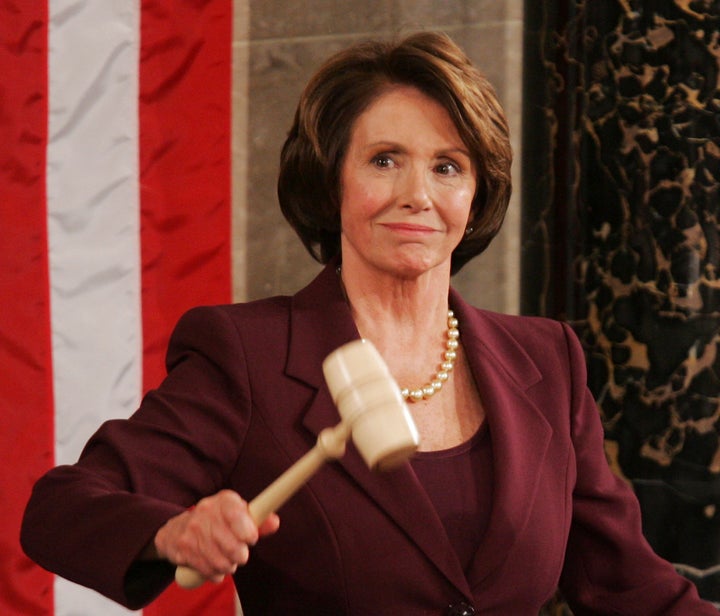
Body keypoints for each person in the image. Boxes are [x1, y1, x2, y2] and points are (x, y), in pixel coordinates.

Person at [21, 31, 718, 615]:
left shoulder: (547, 362)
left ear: (476, 198)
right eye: (385, 160)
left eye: (448, 167)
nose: (418, 195)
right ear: (331, 181)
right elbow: (61, 509)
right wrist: (172, 532)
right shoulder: (251, 356)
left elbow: (636, 591)